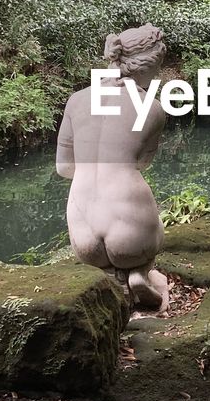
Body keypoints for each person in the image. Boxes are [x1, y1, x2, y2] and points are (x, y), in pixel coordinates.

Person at [56, 24, 169, 312]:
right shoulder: (152, 108)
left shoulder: (76, 101)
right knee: (155, 223)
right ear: (149, 66)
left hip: (82, 231)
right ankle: (140, 273)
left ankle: (111, 278)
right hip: (132, 233)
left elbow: (64, 167)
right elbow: (143, 163)